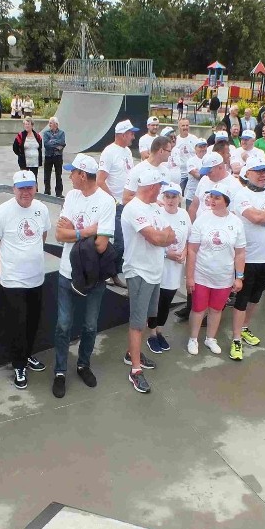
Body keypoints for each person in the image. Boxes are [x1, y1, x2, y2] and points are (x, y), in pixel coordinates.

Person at [53, 154, 116, 399]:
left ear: (82, 175)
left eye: (72, 172)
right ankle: (60, 371)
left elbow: (101, 244)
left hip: (93, 277)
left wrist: (75, 233)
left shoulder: (106, 201)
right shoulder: (71, 196)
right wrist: (87, 231)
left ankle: (83, 365)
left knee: (90, 325)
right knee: (63, 325)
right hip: (66, 274)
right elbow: (59, 234)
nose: (69, 176)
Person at [0, 172, 51, 389]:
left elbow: (42, 237)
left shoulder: (41, 209)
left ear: (35, 188)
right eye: (21, 188)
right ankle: (19, 365)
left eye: (29, 187)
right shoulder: (1, 213)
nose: (25, 192)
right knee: (18, 325)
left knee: (33, 321)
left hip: (36, 277)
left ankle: (28, 354)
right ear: (14, 189)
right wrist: (0, 272)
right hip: (13, 281)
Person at [120, 168, 175, 393]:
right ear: (152, 187)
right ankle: (135, 370)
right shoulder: (133, 208)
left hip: (154, 270)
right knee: (137, 322)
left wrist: (163, 237)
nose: (161, 191)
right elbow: (156, 237)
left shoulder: (154, 207)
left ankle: (130, 353)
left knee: (144, 318)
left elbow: (170, 234)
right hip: (139, 271)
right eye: (160, 187)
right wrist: (162, 237)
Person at [228, 160, 265, 360]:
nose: (263, 174)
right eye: (259, 171)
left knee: (255, 298)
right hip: (248, 257)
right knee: (242, 299)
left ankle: (245, 328)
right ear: (248, 173)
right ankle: (236, 338)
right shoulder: (242, 194)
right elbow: (253, 217)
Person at [186, 182, 246, 355]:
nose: (212, 200)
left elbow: (240, 252)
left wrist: (239, 277)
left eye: (217, 198)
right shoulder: (202, 219)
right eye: (211, 196)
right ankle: (193, 338)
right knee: (198, 309)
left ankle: (210, 338)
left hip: (224, 276)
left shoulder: (235, 222)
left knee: (216, 309)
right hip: (202, 274)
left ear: (226, 201)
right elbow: (192, 249)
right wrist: (189, 277)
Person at [146, 183, 190, 353]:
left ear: (180, 198)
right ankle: (151, 334)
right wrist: (167, 254)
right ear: (162, 198)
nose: (171, 200)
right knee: (156, 302)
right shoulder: (157, 214)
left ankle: (159, 331)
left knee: (167, 301)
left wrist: (184, 252)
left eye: (174, 196)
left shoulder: (184, 214)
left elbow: (188, 238)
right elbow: (151, 241)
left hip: (176, 267)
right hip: (160, 266)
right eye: (167, 196)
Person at [97, 120, 137, 287]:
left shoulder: (127, 151)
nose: (133, 137)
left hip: (128, 203)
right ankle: (108, 273)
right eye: (131, 133)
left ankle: (113, 272)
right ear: (122, 135)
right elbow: (100, 180)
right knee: (118, 242)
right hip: (116, 205)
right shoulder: (109, 152)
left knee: (126, 242)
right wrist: (113, 200)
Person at [189, 151, 242, 221]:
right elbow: (194, 206)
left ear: (220, 167)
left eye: (209, 172)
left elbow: (234, 216)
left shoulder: (234, 186)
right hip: (199, 228)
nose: (207, 174)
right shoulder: (204, 179)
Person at [123, 135, 172, 204]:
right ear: (161, 151)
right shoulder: (138, 170)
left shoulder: (166, 171)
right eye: (169, 151)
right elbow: (126, 198)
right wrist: (152, 202)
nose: (170, 154)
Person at [42, 116, 66, 197]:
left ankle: (59, 192)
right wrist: (56, 144)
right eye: (49, 123)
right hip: (48, 156)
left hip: (58, 156)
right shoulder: (46, 133)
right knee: (47, 174)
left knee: (58, 174)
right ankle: (47, 191)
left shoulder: (62, 133)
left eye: (51, 123)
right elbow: (46, 144)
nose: (49, 125)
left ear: (56, 124)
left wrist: (52, 141)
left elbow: (62, 143)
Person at [183, 138, 208, 209]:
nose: (203, 149)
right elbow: (197, 175)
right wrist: (208, 171)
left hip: (205, 197)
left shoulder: (209, 159)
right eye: (200, 147)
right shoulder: (191, 161)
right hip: (191, 196)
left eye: (204, 146)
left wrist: (201, 171)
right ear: (195, 148)